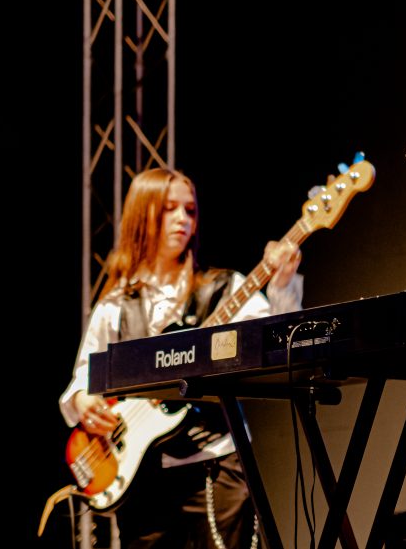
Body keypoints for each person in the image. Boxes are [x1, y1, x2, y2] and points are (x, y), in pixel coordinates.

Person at [60, 167, 304, 548]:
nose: (182, 219)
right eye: (168, 208)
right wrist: (82, 401)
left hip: (215, 463)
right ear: (141, 215)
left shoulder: (224, 287)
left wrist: (283, 284)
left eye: (189, 210)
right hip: (144, 477)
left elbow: (279, 343)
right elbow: (83, 376)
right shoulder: (116, 305)